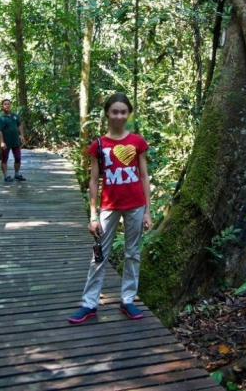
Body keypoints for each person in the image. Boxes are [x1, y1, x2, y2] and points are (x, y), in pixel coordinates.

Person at [69, 92, 152, 323]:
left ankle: (127, 300)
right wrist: (93, 215)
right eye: (115, 111)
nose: (119, 116)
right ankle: (89, 303)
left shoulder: (137, 142)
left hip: (135, 205)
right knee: (99, 256)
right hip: (109, 206)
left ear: (128, 114)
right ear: (107, 113)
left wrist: (148, 211)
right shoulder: (99, 145)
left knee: (132, 253)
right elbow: (94, 181)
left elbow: (144, 176)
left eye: (123, 111)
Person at [0, 99, 26, 182]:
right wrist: (2, 142)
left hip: (15, 141)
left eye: (8, 104)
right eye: (5, 104)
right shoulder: (1, 118)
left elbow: (19, 125)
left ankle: (17, 174)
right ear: (2, 106)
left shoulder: (15, 116)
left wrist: (22, 135)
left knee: (18, 157)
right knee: (4, 159)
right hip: (6, 142)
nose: (7, 105)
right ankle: (6, 176)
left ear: (10, 105)